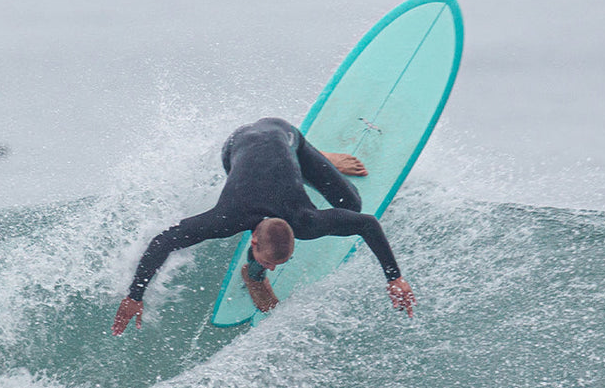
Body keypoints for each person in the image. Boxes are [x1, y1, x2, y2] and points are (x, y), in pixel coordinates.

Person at [111, 117, 415, 334]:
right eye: (268, 263)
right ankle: (252, 274)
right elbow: (163, 241)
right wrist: (134, 295)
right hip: (237, 146)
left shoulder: (306, 221)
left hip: (282, 133)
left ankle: (315, 159)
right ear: (252, 241)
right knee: (324, 195)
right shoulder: (228, 218)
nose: (272, 267)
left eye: (272, 265)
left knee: (352, 205)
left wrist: (395, 278)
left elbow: (367, 224)